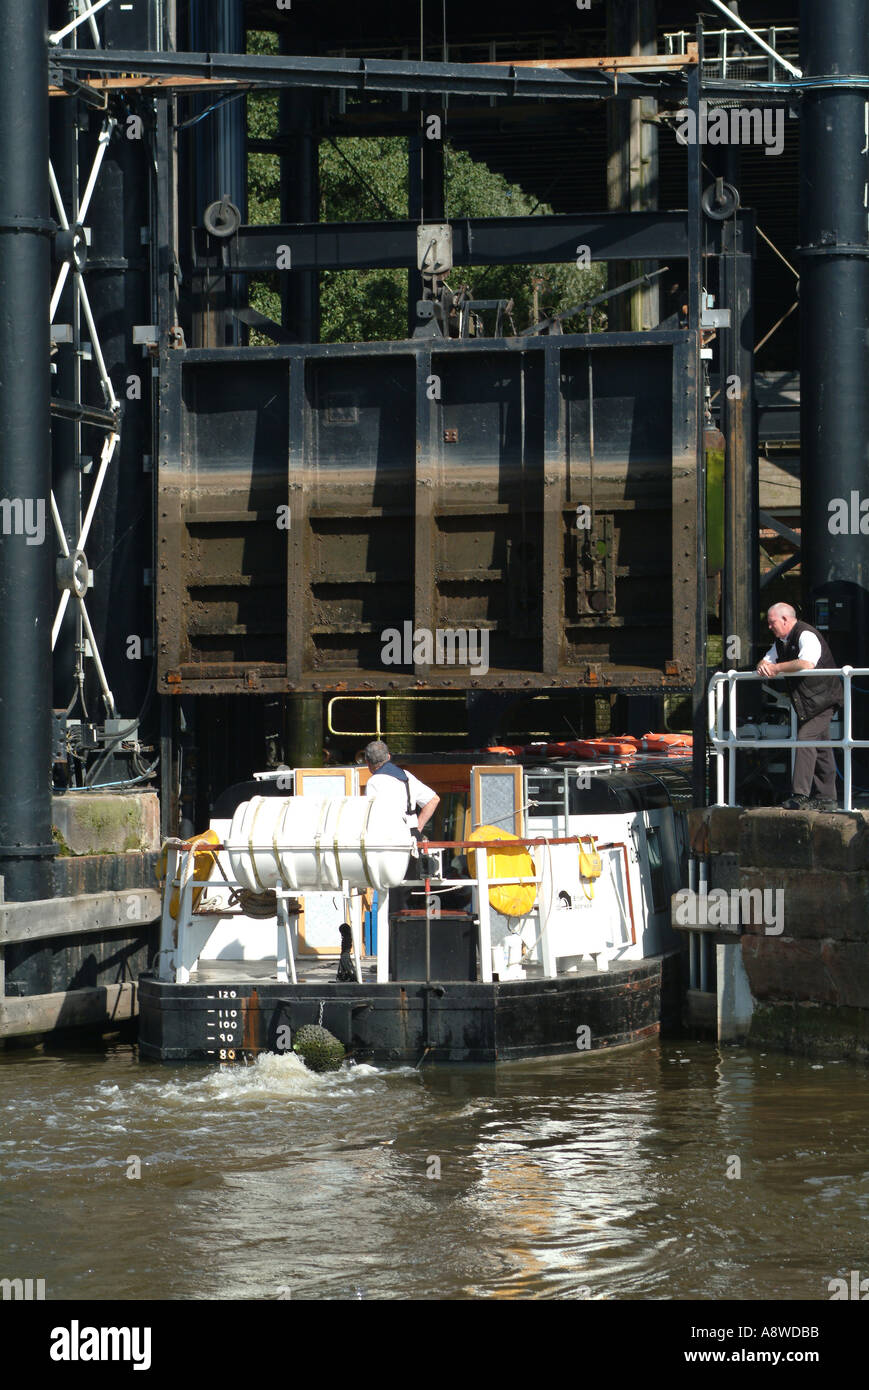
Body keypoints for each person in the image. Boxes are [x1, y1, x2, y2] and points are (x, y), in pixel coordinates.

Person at [755, 603, 842, 810]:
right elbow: (764, 661)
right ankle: (827, 798)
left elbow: (807, 663)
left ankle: (800, 794)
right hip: (811, 702)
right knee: (821, 747)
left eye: (772, 622)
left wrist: (775, 668)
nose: (769, 627)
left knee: (805, 738)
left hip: (825, 700)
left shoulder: (806, 635)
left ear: (785, 619)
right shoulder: (781, 642)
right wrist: (763, 666)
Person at [362, 739, 440, 839]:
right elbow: (434, 800)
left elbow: (371, 815)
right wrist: (418, 829)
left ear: (367, 762)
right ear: (389, 757)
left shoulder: (374, 782)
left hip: (389, 837)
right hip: (411, 835)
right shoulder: (407, 776)